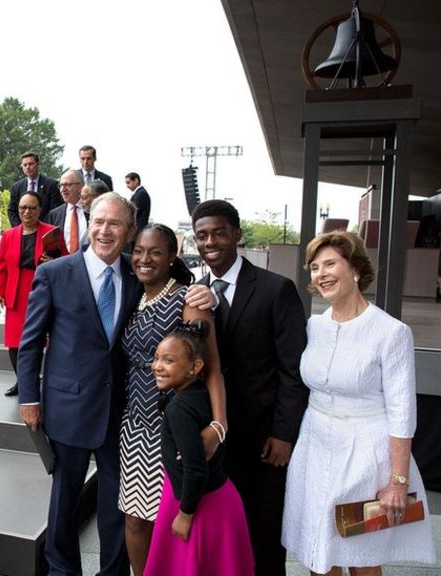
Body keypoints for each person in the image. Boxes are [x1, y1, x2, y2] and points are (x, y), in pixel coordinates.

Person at [282, 231, 436, 575]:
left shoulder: (391, 332)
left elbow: (402, 411)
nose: (320, 273)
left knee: (360, 552)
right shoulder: (314, 326)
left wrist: (398, 481)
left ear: (355, 268)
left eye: (330, 263)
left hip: (366, 454)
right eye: (314, 267)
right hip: (314, 447)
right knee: (318, 550)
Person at [17, 192, 140, 576]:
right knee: (64, 502)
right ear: (89, 223)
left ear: (130, 231)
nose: (105, 230)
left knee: (115, 507)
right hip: (67, 406)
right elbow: (31, 341)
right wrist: (28, 398)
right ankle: (61, 570)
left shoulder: (137, 277)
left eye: (115, 223)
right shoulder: (55, 273)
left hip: (120, 412)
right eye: (99, 221)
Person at [192, 199, 307, 576]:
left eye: (219, 233)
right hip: (215, 439)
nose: (210, 242)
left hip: (263, 440)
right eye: (202, 235)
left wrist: (284, 434)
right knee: (220, 537)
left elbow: (293, 371)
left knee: (263, 537)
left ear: (237, 235)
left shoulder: (277, 289)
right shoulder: (196, 293)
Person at [119, 224, 226, 576]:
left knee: (173, 523)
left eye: (155, 252)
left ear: (171, 258)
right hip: (134, 424)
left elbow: (211, 369)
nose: (144, 259)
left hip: (172, 430)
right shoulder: (133, 294)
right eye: (138, 250)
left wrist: (219, 424)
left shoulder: (188, 300)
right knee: (135, 522)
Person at [143, 321, 253, 576]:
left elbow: (195, 468)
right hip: (219, 497)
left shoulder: (179, 409)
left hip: (198, 505)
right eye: (157, 358)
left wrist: (185, 514)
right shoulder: (200, 396)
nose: (157, 366)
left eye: (168, 361)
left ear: (195, 367)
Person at [0, 191, 67, 397]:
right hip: (16, 292)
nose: (27, 211)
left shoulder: (52, 232)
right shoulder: (9, 235)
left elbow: (67, 260)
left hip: (42, 292)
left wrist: (53, 262)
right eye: (23, 207)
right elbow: (1, 267)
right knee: (14, 343)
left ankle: (39, 379)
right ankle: (23, 382)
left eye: (32, 207)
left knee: (38, 340)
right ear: (18, 210)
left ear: (40, 210)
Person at [8, 151, 62, 226]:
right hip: (23, 231)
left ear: (38, 164)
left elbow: (55, 210)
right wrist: (21, 228)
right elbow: (12, 211)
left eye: (31, 164)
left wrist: (41, 227)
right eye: (25, 165)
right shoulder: (16, 187)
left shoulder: (52, 185)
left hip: (45, 229)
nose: (27, 167)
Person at [46, 170, 88, 254]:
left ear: (80, 186)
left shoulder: (91, 211)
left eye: (67, 185)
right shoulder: (54, 215)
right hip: (63, 264)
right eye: (61, 185)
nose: (62, 189)